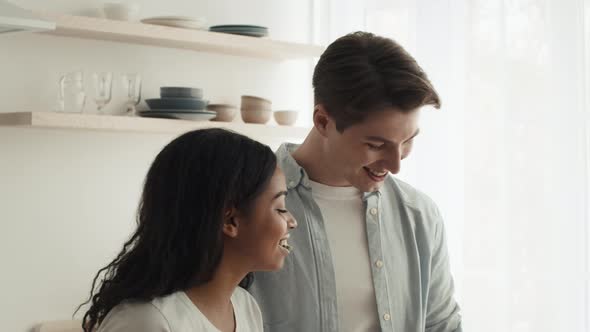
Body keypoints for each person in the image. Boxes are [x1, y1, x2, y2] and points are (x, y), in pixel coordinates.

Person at [248, 31, 463, 331]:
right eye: (376, 145)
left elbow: (442, 325)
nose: (396, 164)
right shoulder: (244, 206)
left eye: (408, 141)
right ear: (323, 121)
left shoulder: (419, 215)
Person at [78, 128, 297, 332]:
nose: (292, 221)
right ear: (230, 220)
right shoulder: (146, 322)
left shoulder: (245, 307)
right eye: (280, 208)